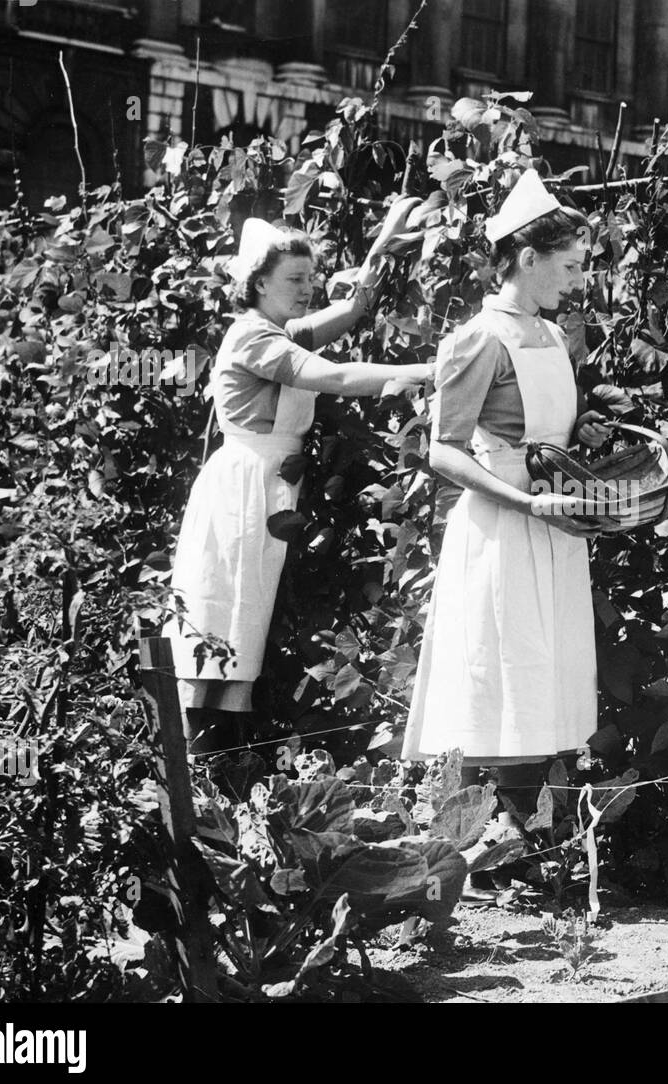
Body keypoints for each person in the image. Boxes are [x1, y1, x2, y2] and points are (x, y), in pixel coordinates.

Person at [166, 204, 432, 750]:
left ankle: (222, 761)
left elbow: (353, 308)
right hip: (242, 488)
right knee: (226, 608)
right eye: (294, 278)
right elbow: (333, 376)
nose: (307, 288)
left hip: (269, 486)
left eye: (311, 277)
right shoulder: (253, 338)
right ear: (258, 282)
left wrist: (382, 245)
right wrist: (428, 371)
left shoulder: (281, 329)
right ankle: (200, 762)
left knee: (248, 611)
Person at [402, 168, 610, 797]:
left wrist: (583, 429)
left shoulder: (548, 332)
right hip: (502, 523)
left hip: (555, 517)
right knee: (494, 672)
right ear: (527, 258)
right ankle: (467, 834)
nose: (579, 282)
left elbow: (541, 426)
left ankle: (524, 834)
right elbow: (443, 451)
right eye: (570, 267)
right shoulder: (478, 339)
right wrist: (525, 500)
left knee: (542, 675)